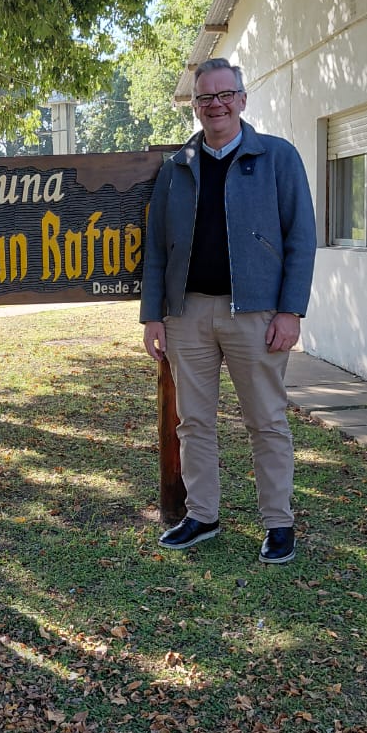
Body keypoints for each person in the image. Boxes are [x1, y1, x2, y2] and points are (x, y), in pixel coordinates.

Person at [140, 57, 316, 565]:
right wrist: (154, 315)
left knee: (266, 421)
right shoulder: (177, 168)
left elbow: (301, 240)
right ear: (194, 105)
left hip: (256, 315)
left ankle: (278, 523)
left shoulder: (278, 158)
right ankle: (203, 515)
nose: (214, 105)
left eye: (224, 95)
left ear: (241, 99)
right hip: (187, 315)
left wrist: (290, 311)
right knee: (193, 422)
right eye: (204, 98)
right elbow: (156, 249)